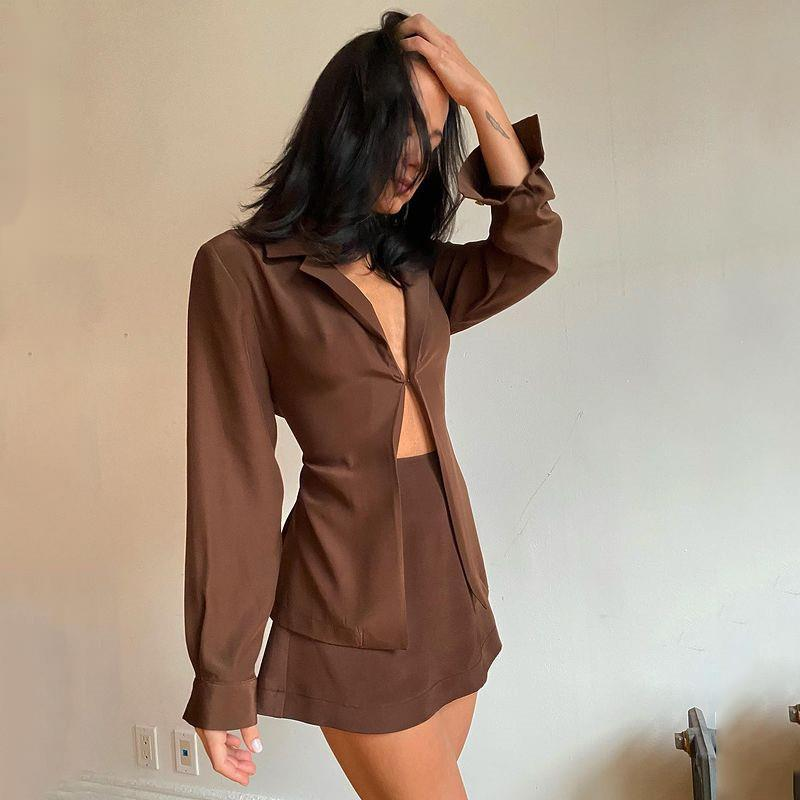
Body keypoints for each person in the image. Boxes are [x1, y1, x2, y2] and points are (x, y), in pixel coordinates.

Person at [181, 10, 562, 798]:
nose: (417, 159)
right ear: (346, 125)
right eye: (403, 129)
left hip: (449, 581)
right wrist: (223, 677)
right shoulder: (240, 272)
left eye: (435, 135)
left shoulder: (413, 266)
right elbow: (233, 480)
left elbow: (529, 250)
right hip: (348, 594)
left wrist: (481, 97)